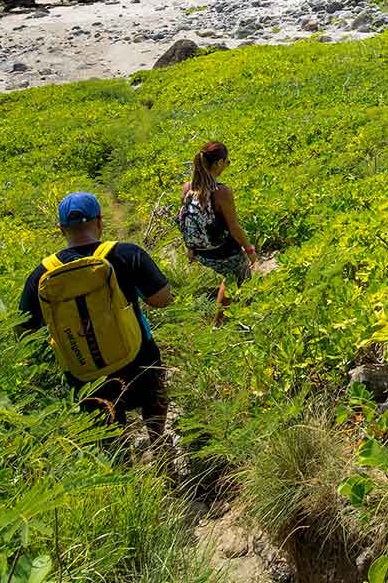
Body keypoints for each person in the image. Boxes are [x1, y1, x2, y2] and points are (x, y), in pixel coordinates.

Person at [19, 191, 173, 440]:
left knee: (108, 432)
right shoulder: (126, 254)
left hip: (84, 371)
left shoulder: (41, 274)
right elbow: (161, 299)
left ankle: (123, 471)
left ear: (61, 229)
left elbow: (24, 330)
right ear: (100, 221)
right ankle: (159, 445)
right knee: (154, 402)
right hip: (138, 358)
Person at [177, 141, 257, 324]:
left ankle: (227, 318)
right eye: (227, 162)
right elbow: (234, 228)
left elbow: (185, 221)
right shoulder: (221, 192)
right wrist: (250, 250)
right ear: (219, 163)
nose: (227, 166)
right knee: (239, 275)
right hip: (222, 251)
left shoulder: (187, 188)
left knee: (229, 276)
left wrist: (191, 248)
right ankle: (223, 323)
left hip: (201, 253)